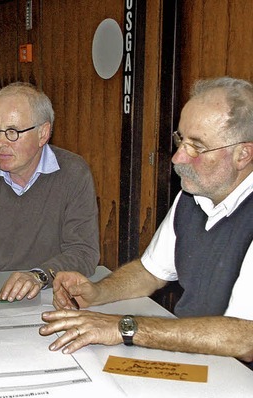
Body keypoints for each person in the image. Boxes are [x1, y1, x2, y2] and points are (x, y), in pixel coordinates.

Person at [39, 76, 253, 365]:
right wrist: (97, 293)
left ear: (243, 154)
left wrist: (124, 327)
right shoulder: (193, 198)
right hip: (200, 362)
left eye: (197, 147)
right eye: (181, 140)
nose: (178, 158)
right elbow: (150, 272)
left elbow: (244, 339)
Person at [0, 82, 100, 303]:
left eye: (13, 132)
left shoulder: (73, 173)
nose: (0, 143)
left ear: (43, 133)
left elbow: (84, 251)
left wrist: (39, 275)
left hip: (50, 294)